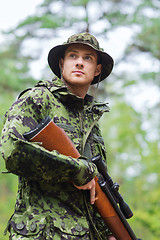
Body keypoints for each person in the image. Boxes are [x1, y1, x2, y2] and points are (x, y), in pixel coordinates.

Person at [1, 32, 116, 240]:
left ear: (97, 69)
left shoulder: (92, 121)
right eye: (73, 56)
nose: (80, 63)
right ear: (62, 64)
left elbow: (94, 186)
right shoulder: (38, 99)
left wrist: (108, 232)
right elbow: (12, 150)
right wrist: (76, 169)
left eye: (88, 58)